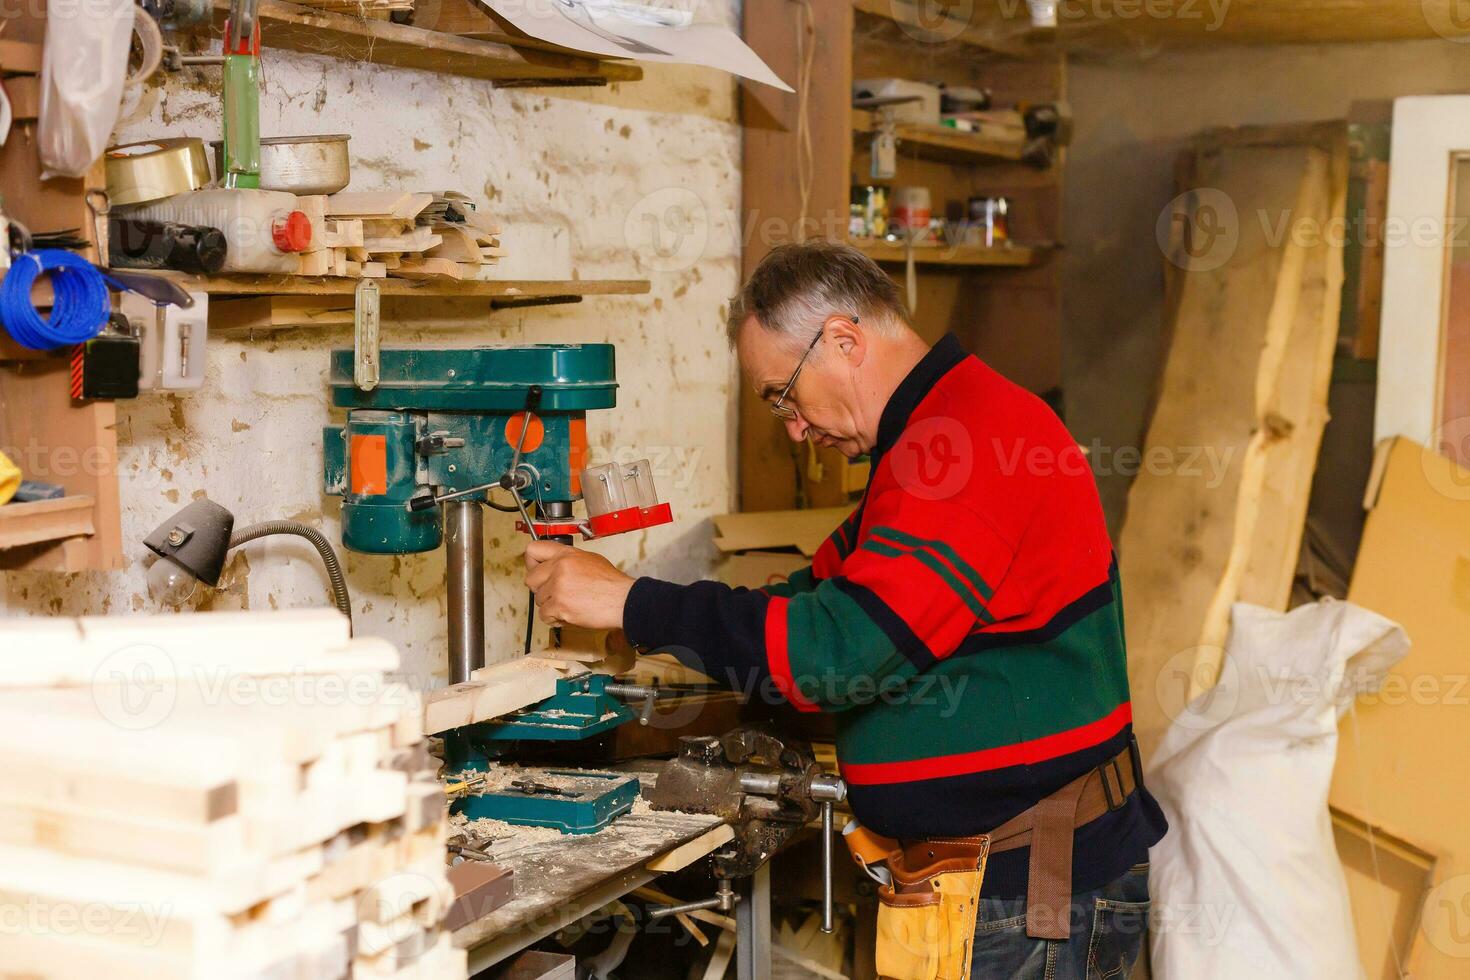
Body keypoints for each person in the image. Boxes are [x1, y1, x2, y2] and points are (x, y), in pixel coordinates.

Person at [523, 240, 1167, 978]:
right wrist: (643, 608)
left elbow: (836, 655)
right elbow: (813, 600)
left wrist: (633, 603)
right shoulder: (931, 438)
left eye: (783, 395)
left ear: (844, 340)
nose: (794, 429)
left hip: (1031, 897)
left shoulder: (961, 444)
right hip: (1002, 882)